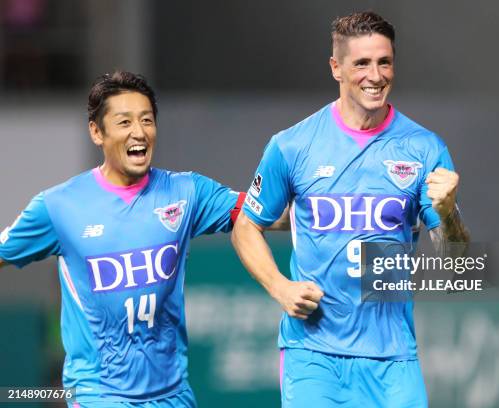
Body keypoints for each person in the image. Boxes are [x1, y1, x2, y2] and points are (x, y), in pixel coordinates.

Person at [0, 71, 284, 407]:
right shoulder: (58, 206)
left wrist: (336, 214)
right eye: (124, 122)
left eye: (147, 120)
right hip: (98, 395)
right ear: (96, 131)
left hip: (173, 395)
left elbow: (261, 214)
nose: (139, 132)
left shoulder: (186, 192)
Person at [231, 11, 470, 408]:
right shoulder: (292, 146)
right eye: (361, 63)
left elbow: (455, 261)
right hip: (313, 354)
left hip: (393, 358)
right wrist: (281, 287)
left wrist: (447, 214)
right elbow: (246, 226)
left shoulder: (424, 148)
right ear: (336, 68)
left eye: (384, 62)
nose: (375, 76)